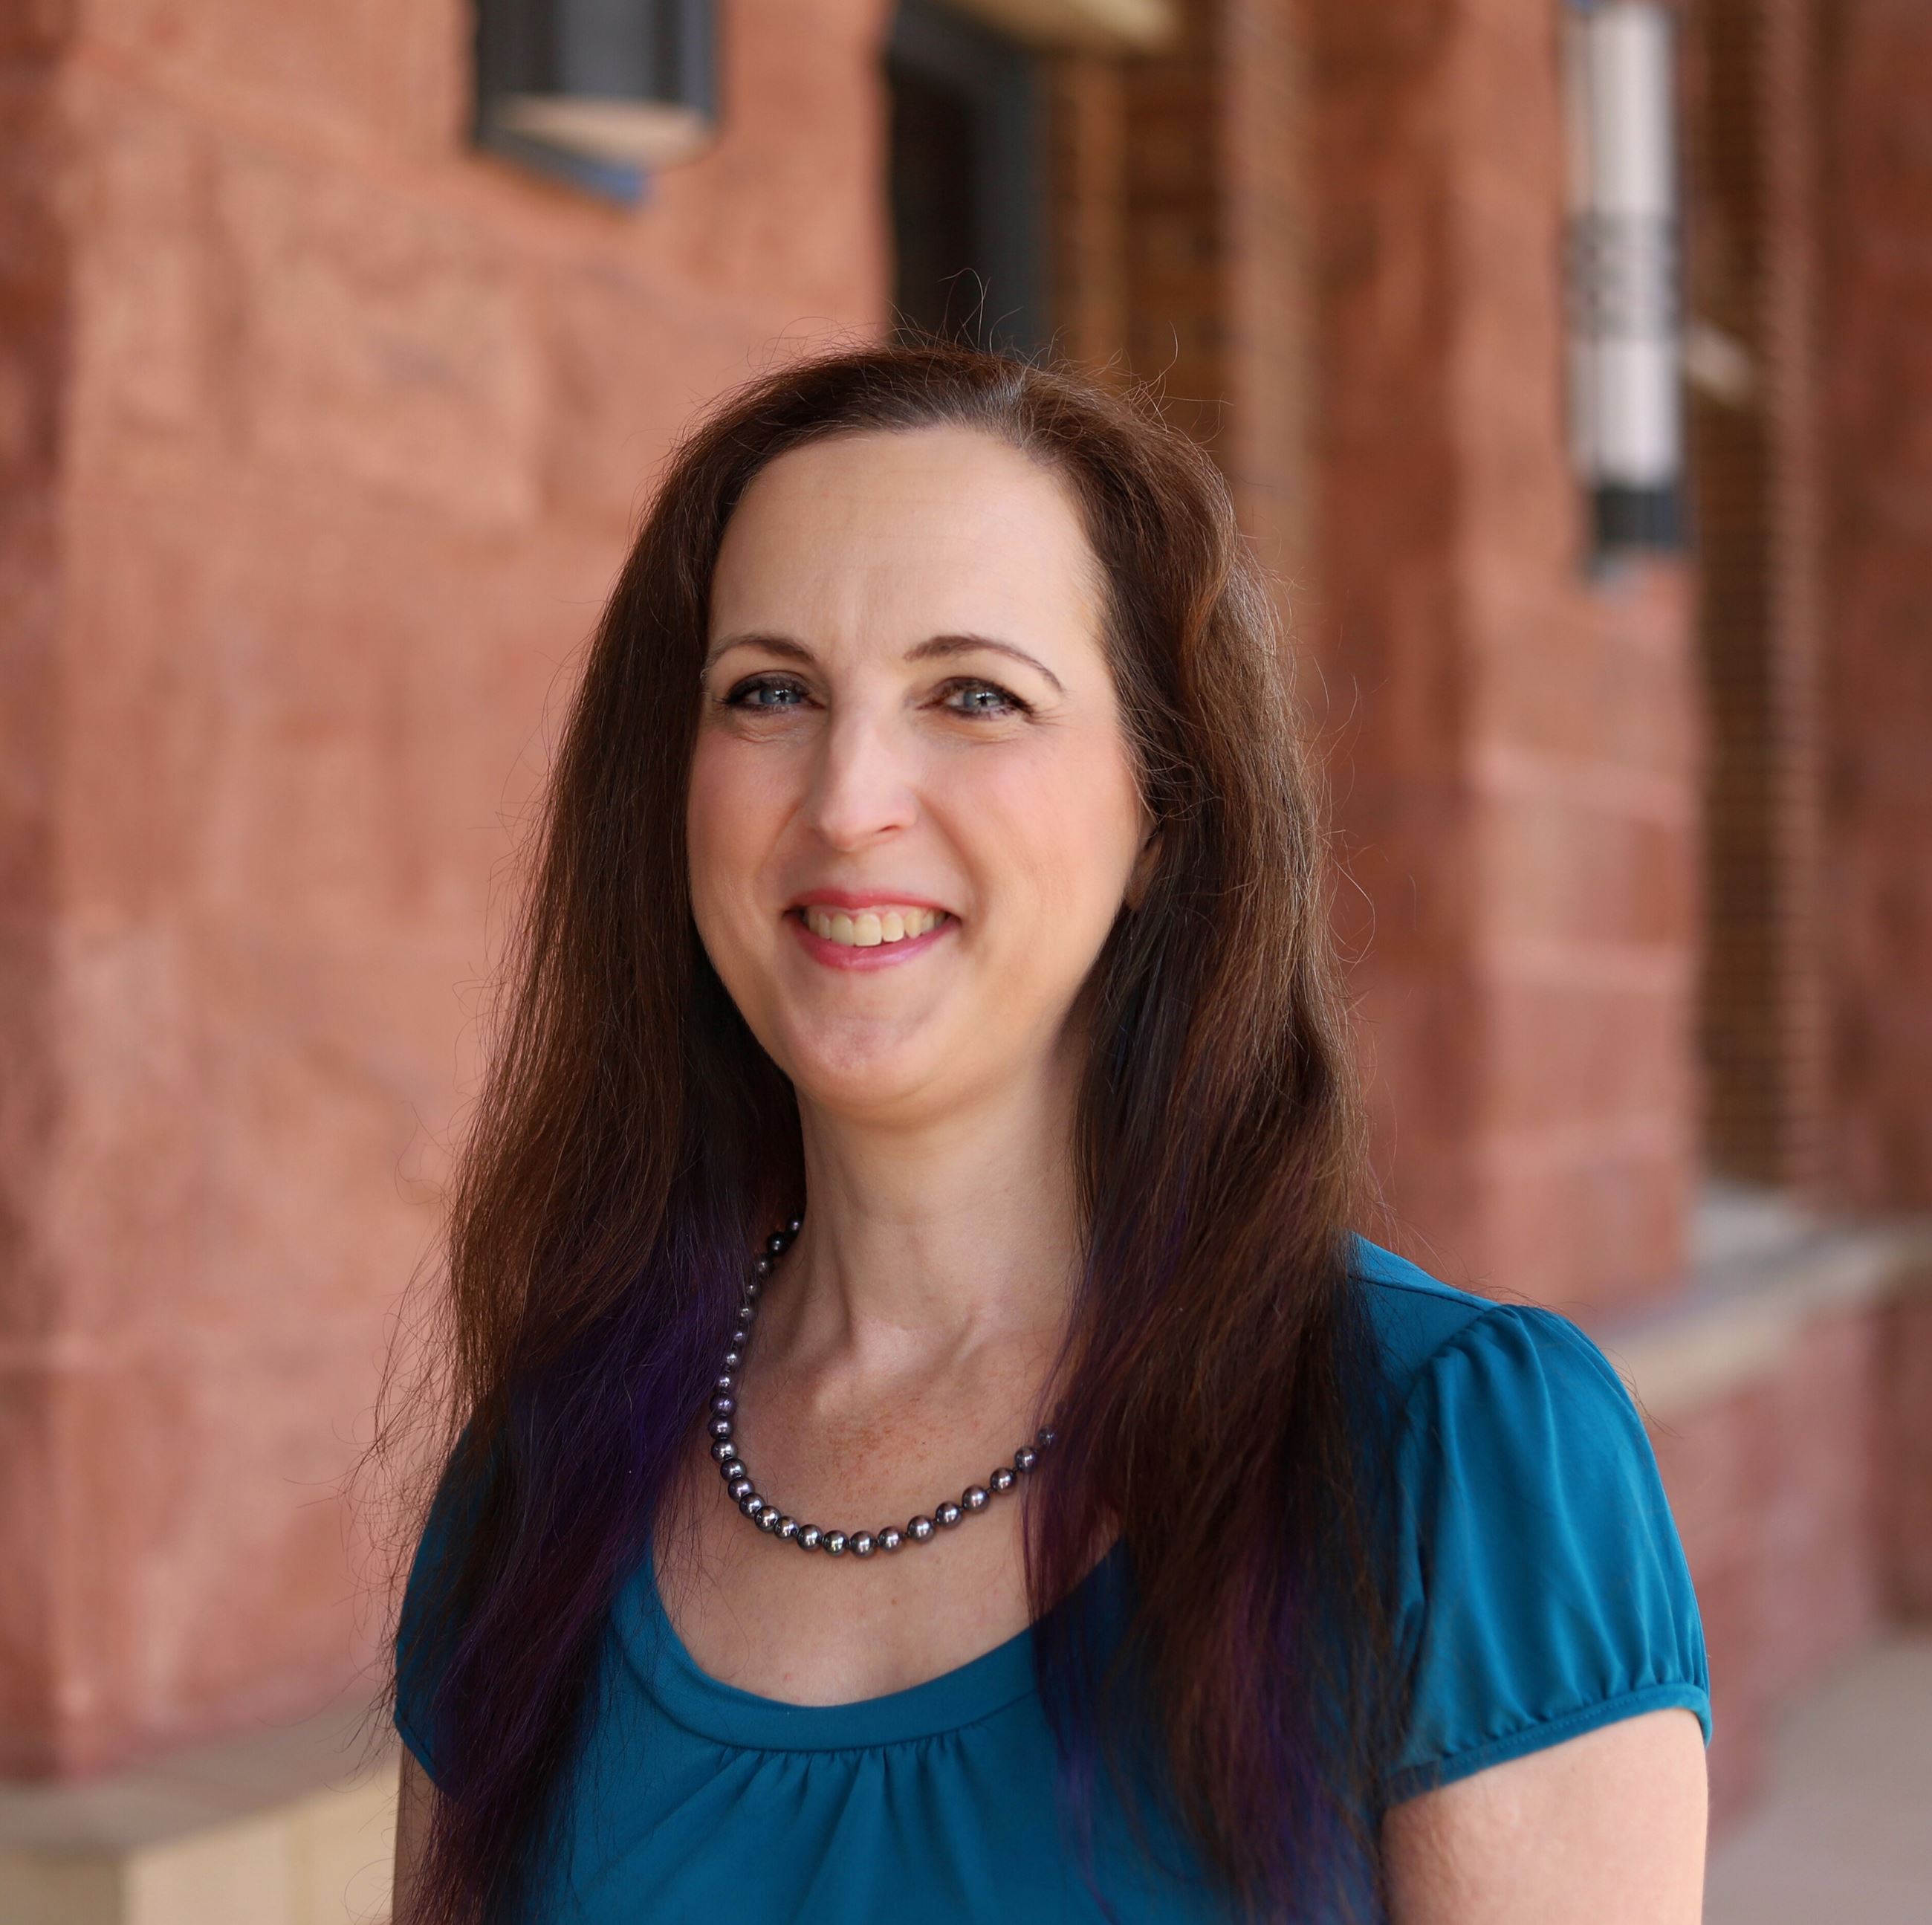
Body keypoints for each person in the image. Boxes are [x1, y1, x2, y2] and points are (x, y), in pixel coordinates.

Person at [382, 340, 1711, 1924]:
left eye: (973, 695)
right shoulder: (550, 1473)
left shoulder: (1451, 1456)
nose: (848, 793)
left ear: (1162, 813)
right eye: (770, 690)